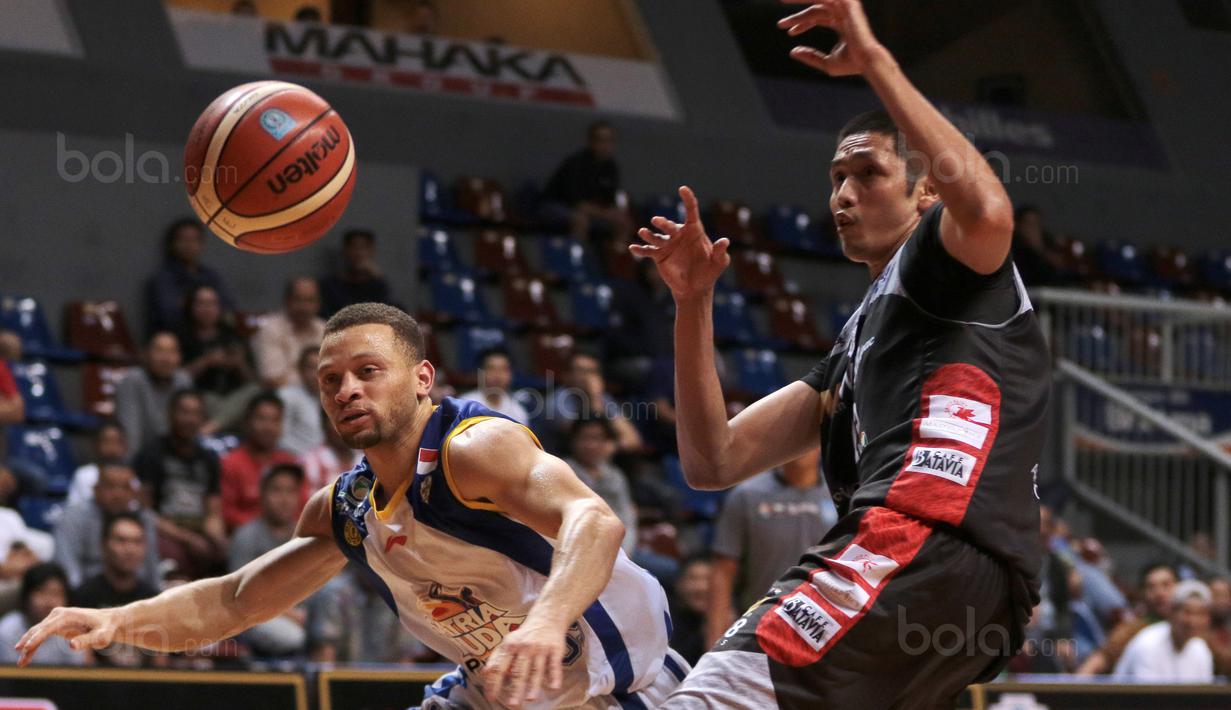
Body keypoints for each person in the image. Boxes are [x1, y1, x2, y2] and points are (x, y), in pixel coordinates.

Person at [631, 3, 1050, 706]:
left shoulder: (940, 263)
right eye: (834, 179)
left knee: (713, 694)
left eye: (866, 173)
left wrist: (877, 64)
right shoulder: (859, 335)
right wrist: (692, 303)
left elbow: (987, 212)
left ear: (923, 190)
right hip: (971, 600)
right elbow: (714, 460)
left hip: (921, 546)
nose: (842, 195)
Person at [18, 303, 686, 709]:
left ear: (422, 378)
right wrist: (115, 619)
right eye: (330, 380)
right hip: (497, 693)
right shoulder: (348, 507)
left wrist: (545, 622)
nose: (346, 390)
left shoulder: (475, 447)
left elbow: (595, 520)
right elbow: (234, 603)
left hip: (619, 687)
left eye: (368, 371)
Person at [706, 449, 837, 647]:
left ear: (821, 445)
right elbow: (723, 572)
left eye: (808, 439)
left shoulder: (840, 495)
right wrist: (714, 641)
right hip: (757, 628)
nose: (800, 449)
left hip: (825, 628)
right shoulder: (746, 495)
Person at [132, 389, 226, 579]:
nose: (189, 419)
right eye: (184, 412)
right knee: (174, 557)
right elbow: (147, 513)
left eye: (196, 413)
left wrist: (218, 539)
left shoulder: (209, 460)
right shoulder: (151, 454)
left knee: (224, 554)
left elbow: (213, 511)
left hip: (198, 531)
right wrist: (187, 538)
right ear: (170, 415)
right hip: (166, 533)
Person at [229, 463, 310, 657]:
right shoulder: (246, 537)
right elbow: (241, 597)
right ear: (262, 495)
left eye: (290, 491)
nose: (284, 499)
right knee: (293, 636)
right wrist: (289, 614)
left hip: (299, 613)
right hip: (255, 617)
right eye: (277, 490)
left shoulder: (305, 535)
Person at [53, 463, 162, 590]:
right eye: (111, 487)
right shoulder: (73, 516)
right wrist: (79, 599)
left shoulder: (144, 518)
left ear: (134, 493)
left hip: (134, 595)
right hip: (87, 595)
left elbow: (151, 567)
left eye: (125, 488)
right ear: (96, 490)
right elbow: (67, 566)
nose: (118, 494)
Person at [177, 284, 260, 433]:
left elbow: (251, 380)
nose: (207, 309)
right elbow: (178, 378)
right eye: (202, 303)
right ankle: (221, 424)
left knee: (255, 390)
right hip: (201, 395)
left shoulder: (232, 336)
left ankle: (208, 429)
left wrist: (239, 364)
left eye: (212, 304)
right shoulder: (182, 337)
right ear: (192, 307)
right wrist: (207, 361)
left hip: (233, 397)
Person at [1076, 562, 1178, 675]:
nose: (1159, 593)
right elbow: (1097, 661)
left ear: (1180, 586)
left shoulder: (1195, 626)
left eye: (1166, 585)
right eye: (1151, 587)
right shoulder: (1131, 630)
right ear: (1143, 593)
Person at [220, 392, 299, 531]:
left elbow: (302, 507)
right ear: (247, 422)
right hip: (246, 539)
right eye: (261, 419)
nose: (268, 427)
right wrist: (265, 530)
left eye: (275, 420)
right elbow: (227, 511)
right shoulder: (231, 463)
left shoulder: (290, 463)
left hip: (288, 538)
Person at [541, 122, 632, 243]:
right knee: (580, 220)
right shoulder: (576, 163)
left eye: (610, 141)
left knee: (623, 222)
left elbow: (609, 200)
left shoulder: (611, 167)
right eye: (601, 140)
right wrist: (605, 214)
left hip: (592, 210)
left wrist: (614, 213)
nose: (605, 146)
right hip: (557, 206)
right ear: (591, 142)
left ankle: (618, 257)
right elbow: (576, 203)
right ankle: (578, 258)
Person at [144, 218, 234, 336]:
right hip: (177, 341)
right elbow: (169, 316)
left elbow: (227, 309)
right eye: (183, 240)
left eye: (193, 240)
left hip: (212, 338)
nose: (189, 245)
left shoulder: (211, 276)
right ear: (173, 244)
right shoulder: (163, 278)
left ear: (202, 244)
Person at [1114, 579, 1215, 682]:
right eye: (1187, 612)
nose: (1193, 621)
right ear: (1172, 612)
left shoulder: (1201, 649)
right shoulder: (1148, 644)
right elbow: (1146, 696)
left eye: (1201, 613)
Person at [565, 418, 638, 555]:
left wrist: (624, 552)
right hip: (578, 549)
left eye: (597, 439)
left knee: (666, 567)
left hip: (620, 550)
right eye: (585, 438)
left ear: (607, 443)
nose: (591, 445)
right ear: (573, 440)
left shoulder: (615, 475)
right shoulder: (562, 470)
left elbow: (627, 517)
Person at [114, 332, 192, 457]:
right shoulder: (132, 380)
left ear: (179, 357)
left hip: (175, 462)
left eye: (172, 352)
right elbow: (130, 435)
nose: (166, 359)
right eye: (159, 351)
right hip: (142, 461)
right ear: (145, 355)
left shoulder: (183, 381)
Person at [550, 352, 643, 453]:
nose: (586, 377)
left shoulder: (604, 397)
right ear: (567, 376)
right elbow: (584, 442)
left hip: (600, 462)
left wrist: (611, 446)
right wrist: (594, 398)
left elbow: (633, 440)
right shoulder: (557, 400)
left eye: (592, 371)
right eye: (581, 371)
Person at [0, 563, 85, 666]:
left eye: (56, 593)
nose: (49, 602)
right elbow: (9, 677)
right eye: (42, 592)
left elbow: (79, 676)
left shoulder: (72, 631)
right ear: (26, 596)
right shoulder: (7, 630)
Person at [71, 513, 159, 610]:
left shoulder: (152, 600)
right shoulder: (84, 597)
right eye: (121, 540)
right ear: (104, 545)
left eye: (137, 541)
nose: (130, 550)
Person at [253, 277, 325, 389]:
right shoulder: (270, 330)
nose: (304, 307)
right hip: (281, 397)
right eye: (298, 300)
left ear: (318, 303)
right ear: (286, 301)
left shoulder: (324, 329)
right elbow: (272, 379)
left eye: (310, 301)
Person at [319, 229, 393, 317]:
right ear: (345, 251)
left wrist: (378, 278)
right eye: (354, 247)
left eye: (363, 248)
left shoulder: (378, 285)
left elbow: (386, 313)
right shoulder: (330, 285)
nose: (358, 253)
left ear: (372, 251)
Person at [458, 347, 530, 426]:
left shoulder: (518, 412)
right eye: (491, 368)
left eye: (504, 369)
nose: (497, 376)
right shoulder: (464, 405)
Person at [66, 420, 131, 507]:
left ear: (125, 446)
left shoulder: (131, 477)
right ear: (95, 445)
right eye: (107, 441)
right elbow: (73, 510)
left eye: (117, 442)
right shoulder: (84, 475)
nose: (112, 448)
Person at [279, 346, 325, 456]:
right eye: (312, 368)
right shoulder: (286, 397)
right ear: (300, 370)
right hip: (295, 459)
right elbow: (279, 439)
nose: (317, 374)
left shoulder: (336, 398)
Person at [300, 408, 359, 493]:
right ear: (324, 425)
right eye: (337, 421)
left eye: (348, 419)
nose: (343, 427)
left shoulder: (368, 459)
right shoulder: (310, 462)